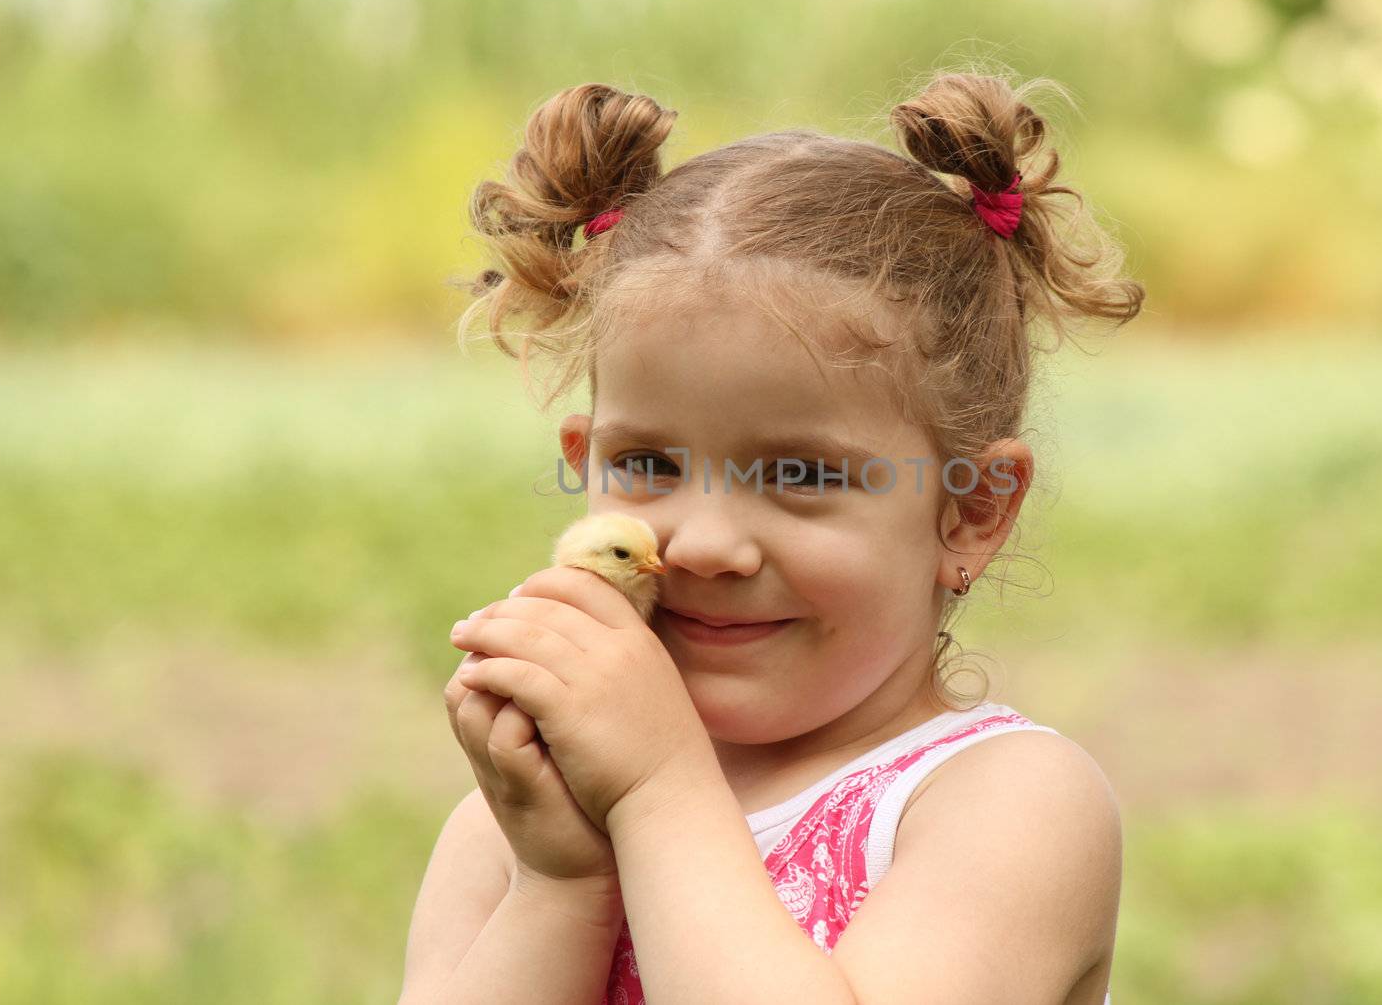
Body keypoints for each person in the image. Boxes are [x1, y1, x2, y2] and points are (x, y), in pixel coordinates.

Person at [400, 69, 1145, 1005]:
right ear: (586, 465)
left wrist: (661, 789)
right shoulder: (512, 829)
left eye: (802, 475)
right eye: (652, 465)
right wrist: (562, 884)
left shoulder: (1007, 807)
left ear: (972, 509)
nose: (706, 544)